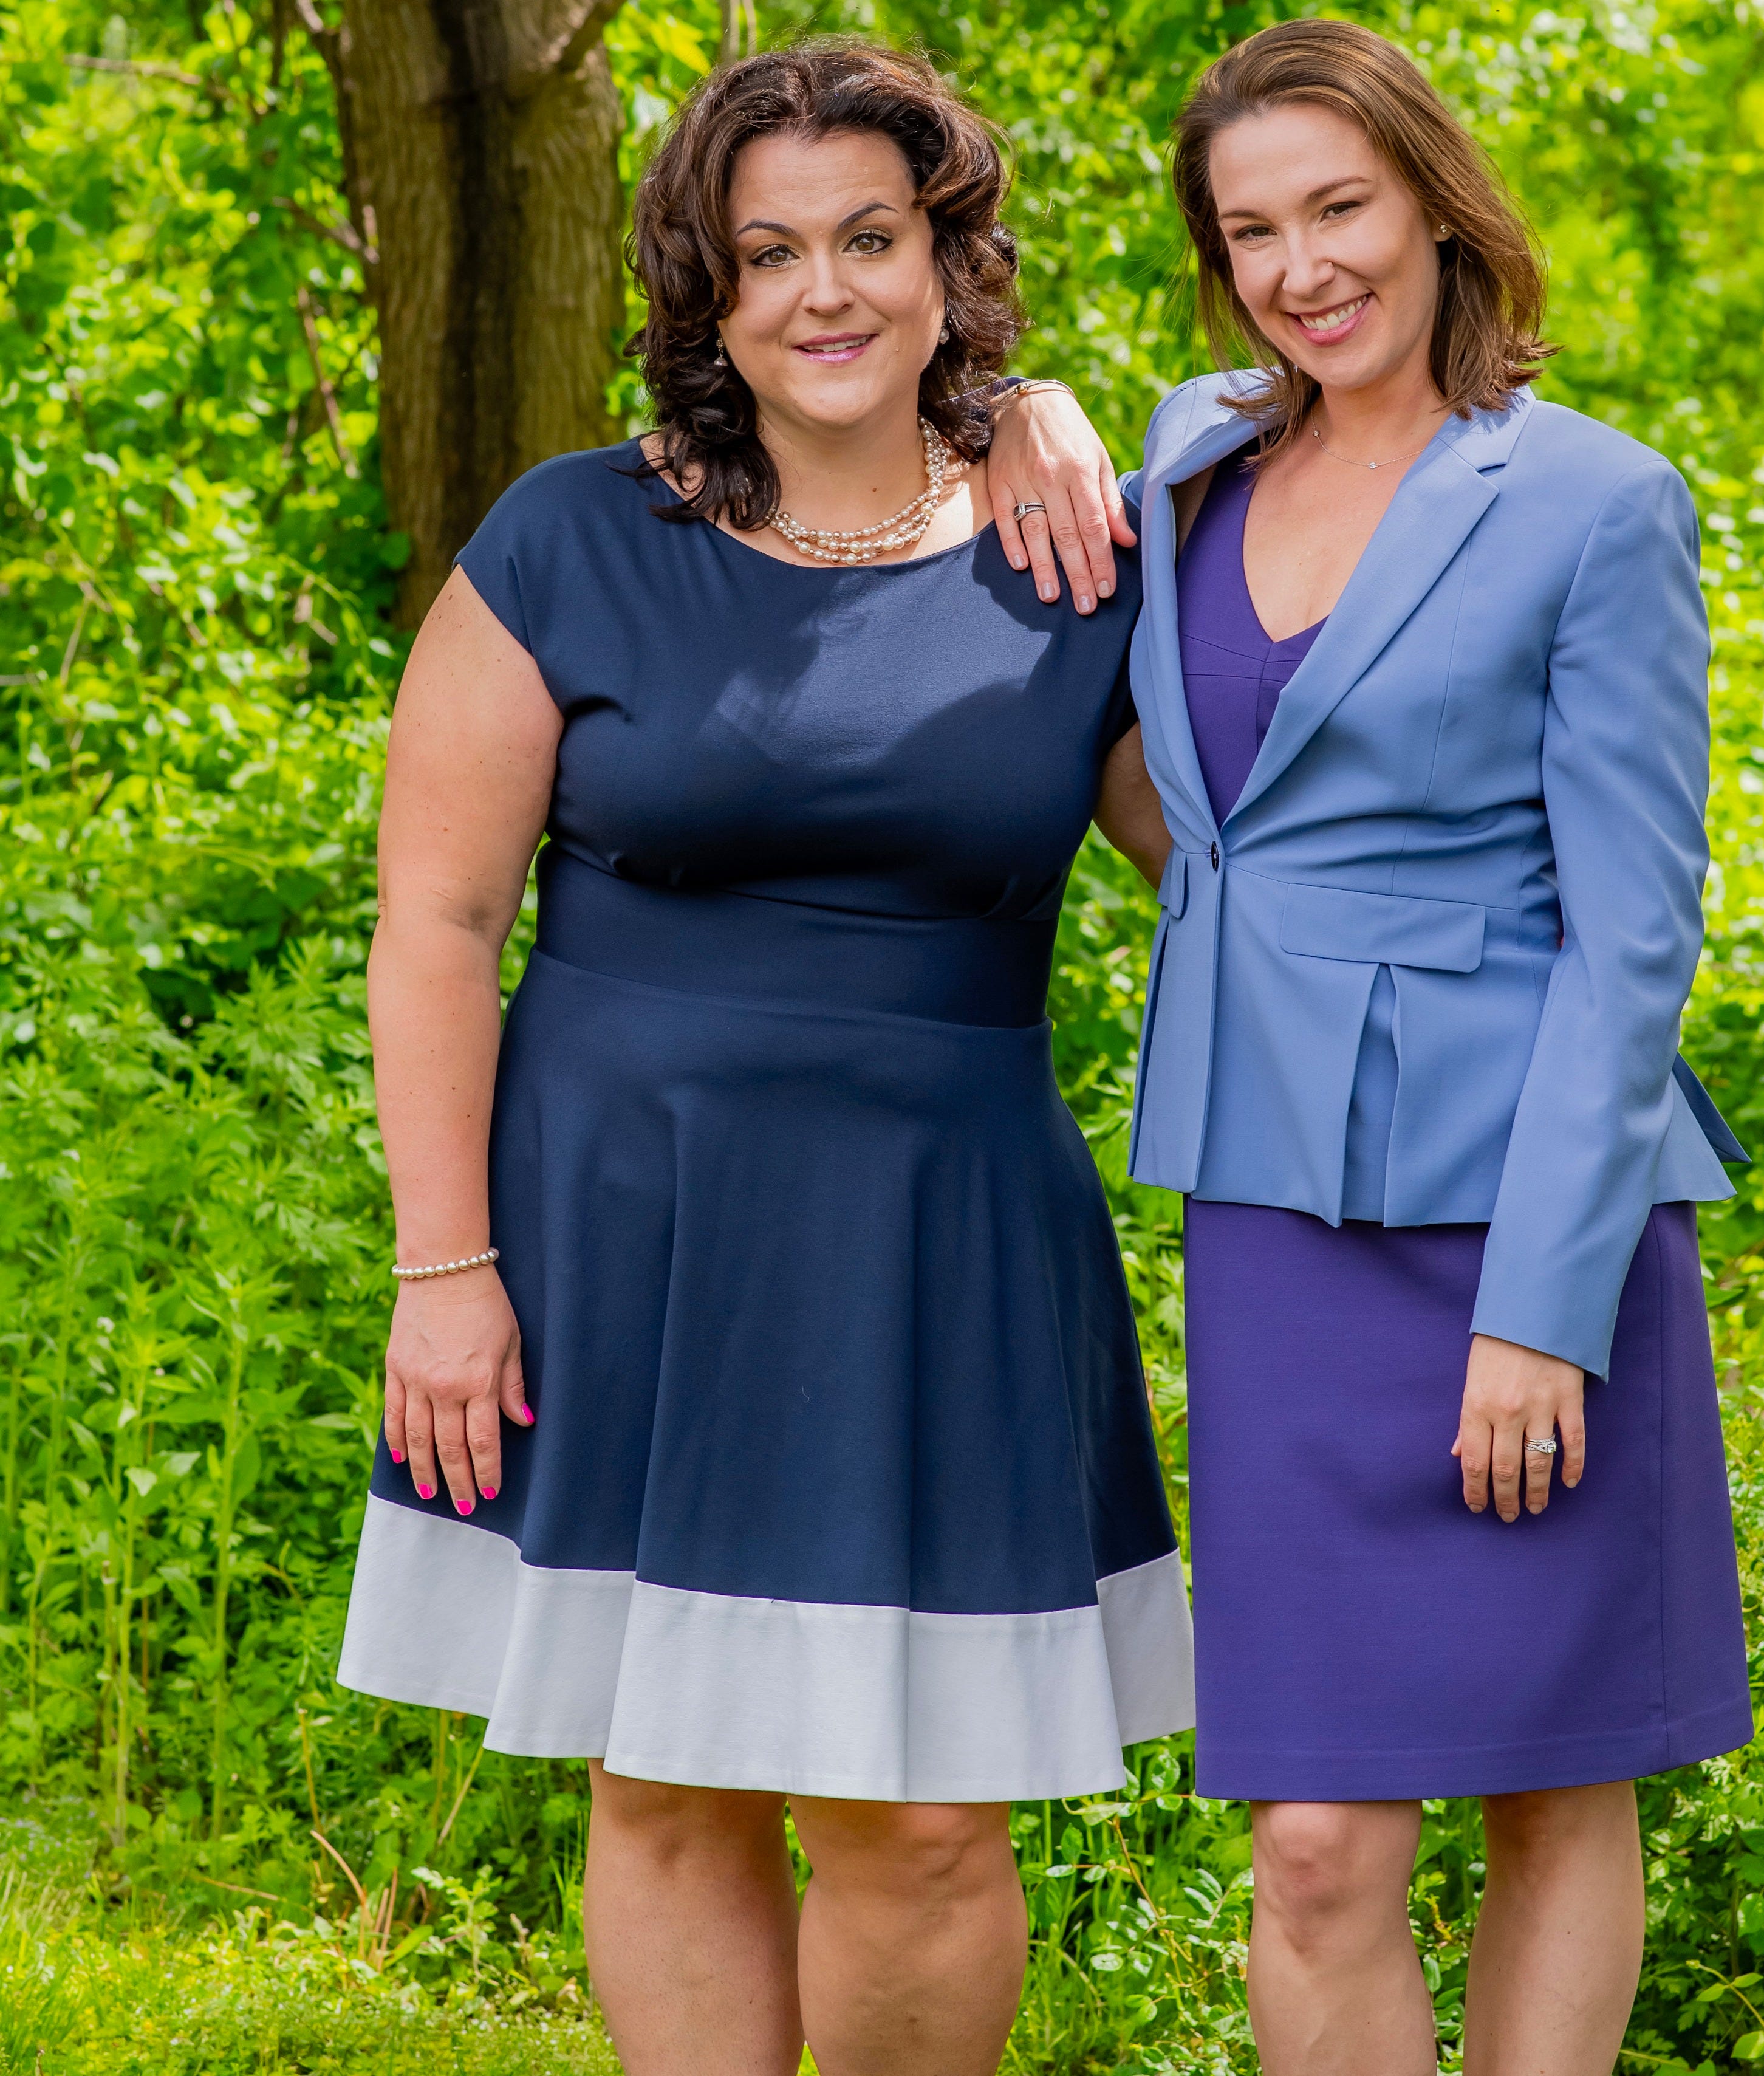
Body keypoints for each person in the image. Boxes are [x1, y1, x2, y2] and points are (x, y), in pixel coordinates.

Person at [334, 45, 1191, 2076]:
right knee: (665, 1776)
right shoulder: (570, 538)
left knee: (925, 1813)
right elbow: (436, 923)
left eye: (870, 239)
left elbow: (1233, 871)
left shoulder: (1080, 553)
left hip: (943, 1237)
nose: (825, 292)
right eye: (768, 251)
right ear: (705, 294)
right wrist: (443, 1268)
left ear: (948, 262)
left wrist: (1099, 423)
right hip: (627, 1225)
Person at [1101, 20, 1755, 2074]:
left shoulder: (1590, 502)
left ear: (1434, 207)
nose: (1301, 268)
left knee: (1555, 1773)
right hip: (1270, 1215)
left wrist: (1539, 1310)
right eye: (1251, 231)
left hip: (1523, 1224)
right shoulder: (1185, 457)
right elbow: (1182, 794)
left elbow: (1632, 937)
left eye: (1339, 209)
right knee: (1312, 1841)